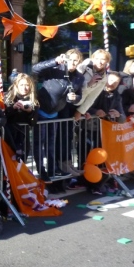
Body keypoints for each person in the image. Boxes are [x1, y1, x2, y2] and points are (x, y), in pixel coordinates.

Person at [31, 49, 84, 181]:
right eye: (71, 59)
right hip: (42, 111)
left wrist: (75, 98)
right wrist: (54, 61)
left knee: (51, 144)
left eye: (76, 61)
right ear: (65, 59)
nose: (73, 63)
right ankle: (41, 170)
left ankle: (53, 169)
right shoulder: (55, 69)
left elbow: (79, 95)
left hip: (55, 113)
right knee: (39, 143)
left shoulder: (79, 77)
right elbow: (35, 69)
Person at [3, 73, 38, 161]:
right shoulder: (8, 97)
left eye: (27, 85)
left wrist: (30, 112)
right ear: (16, 85)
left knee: (21, 163)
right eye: (21, 85)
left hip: (24, 137)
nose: (24, 88)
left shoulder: (33, 100)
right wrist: (13, 108)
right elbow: (3, 117)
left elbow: (33, 122)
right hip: (9, 136)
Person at [74, 49, 111, 121]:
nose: (99, 62)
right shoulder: (83, 67)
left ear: (107, 61)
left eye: (103, 59)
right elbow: (74, 84)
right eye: (97, 58)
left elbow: (92, 97)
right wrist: (89, 84)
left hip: (79, 104)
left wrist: (80, 111)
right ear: (92, 58)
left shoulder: (104, 78)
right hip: (70, 100)